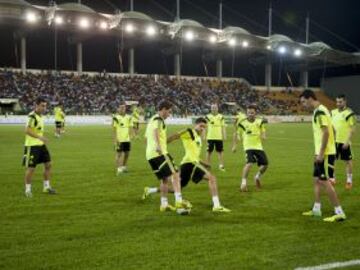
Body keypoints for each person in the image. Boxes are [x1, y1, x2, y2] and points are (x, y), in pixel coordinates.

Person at [144, 118, 231, 213]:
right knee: (212, 178)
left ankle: (150, 190)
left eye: (204, 127)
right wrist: (162, 144)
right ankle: (217, 205)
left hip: (189, 163)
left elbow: (194, 155)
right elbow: (175, 136)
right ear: (195, 125)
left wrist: (203, 163)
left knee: (177, 188)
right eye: (201, 126)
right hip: (190, 163)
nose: (202, 129)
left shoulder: (198, 138)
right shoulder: (190, 131)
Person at [300, 89, 346, 222]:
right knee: (317, 180)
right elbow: (333, 130)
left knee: (325, 182)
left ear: (310, 98)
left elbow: (326, 133)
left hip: (325, 153)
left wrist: (321, 153)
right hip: (322, 152)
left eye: (303, 102)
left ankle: (339, 212)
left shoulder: (320, 111)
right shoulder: (321, 110)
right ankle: (316, 208)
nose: (303, 105)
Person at [145, 100, 191, 214]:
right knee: (175, 175)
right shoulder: (158, 120)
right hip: (160, 153)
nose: (169, 115)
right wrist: (158, 146)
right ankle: (179, 201)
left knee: (164, 179)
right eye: (169, 112)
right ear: (163, 109)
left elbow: (146, 138)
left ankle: (164, 204)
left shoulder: (151, 120)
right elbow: (156, 132)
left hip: (150, 155)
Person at [23, 97, 56, 197]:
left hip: (41, 145)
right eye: (42, 106)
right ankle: (28, 190)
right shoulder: (31, 116)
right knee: (31, 168)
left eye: (45, 106)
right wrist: (40, 137)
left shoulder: (41, 116)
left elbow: (37, 129)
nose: (44, 108)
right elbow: (27, 130)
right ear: (36, 105)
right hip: (32, 145)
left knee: (48, 164)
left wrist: (42, 136)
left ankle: (46, 187)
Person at [232, 104, 268, 191]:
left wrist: (263, 136)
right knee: (250, 163)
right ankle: (243, 183)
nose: (250, 114)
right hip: (248, 146)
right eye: (248, 113)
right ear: (246, 113)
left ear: (255, 113)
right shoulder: (242, 123)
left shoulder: (259, 122)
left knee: (265, 164)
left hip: (258, 146)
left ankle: (257, 177)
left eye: (252, 113)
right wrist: (234, 145)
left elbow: (263, 131)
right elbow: (236, 134)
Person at [331, 94, 356, 189]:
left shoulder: (349, 113)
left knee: (348, 161)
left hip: (344, 141)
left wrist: (347, 141)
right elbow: (332, 127)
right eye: (337, 101)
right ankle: (332, 178)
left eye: (340, 102)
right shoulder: (333, 112)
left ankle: (349, 180)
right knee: (332, 160)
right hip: (334, 141)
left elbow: (352, 128)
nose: (338, 104)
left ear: (345, 102)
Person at [112, 104, 133, 175]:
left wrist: (130, 136)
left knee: (127, 154)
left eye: (123, 108)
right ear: (118, 109)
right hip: (119, 139)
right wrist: (115, 140)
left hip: (127, 139)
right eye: (120, 108)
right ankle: (119, 169)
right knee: (119, 154)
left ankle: (123, 167)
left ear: (125, 109)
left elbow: (130, 127)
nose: (121, 109)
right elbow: (114, 129)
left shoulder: (129, 117)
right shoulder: (116, 118)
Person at [205, 104, 226, 171]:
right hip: (210, 137)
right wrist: (204, 135)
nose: (214, 109)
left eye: (215, 108)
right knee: (209, 151)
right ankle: (207, 165)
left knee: (220, 152)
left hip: (219, 137)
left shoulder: (221, 117)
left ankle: (221, 165)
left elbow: (223, 127)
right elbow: (204, 127)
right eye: (212, 108)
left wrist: (224, 135)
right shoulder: (207, 117)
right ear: (211, 109)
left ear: (217, 108)